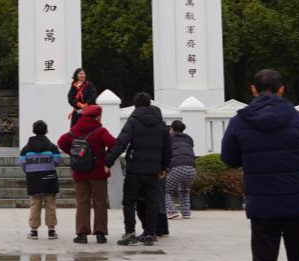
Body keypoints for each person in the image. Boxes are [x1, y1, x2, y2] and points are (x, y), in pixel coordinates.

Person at [220, 69, 299, 261]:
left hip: (261, 201)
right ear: (281, 90)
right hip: (296, 200)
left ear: (253, 90)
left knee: (264, 257)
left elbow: (230, 159)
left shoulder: (239, 122)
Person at [106, 92, 171, 246]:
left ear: (135, 105)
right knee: (151, 202)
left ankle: (130, 233)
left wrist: (108, 161)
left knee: (129, 201)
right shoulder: (161, 124)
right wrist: (163, 167)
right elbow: (167, 148)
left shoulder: (133, 121)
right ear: (149, 103)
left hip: (135, 169)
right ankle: (150, 233)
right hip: (154, 170)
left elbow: (121, 143)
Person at [57, 104, 116, 244]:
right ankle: (100, 234)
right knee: (100, 203)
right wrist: (106, 160)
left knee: (82, 203)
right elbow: (114, 144)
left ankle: (82, 234)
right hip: (98, 173)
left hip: (80, 173)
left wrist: (74, 155)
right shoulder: (101, 131)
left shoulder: (73, 130)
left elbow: (61, 142)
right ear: (98, 116)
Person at [18, 120, 61, 240]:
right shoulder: (52, 147)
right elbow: (57, 162)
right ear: (46, 131)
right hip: (49, 178)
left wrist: (29, 170)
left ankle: (33, 231)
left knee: (34, 204)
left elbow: (22, 163)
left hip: (33, 178)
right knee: (50, 204)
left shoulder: (25, 149)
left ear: (33, 131)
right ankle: (51, 231)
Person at [165, 120, 197, 220]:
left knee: (166, 190)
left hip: (177, 167)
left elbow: (166, 152)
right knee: (184, 190)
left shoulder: (169, 138)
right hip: (192, 168)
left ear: (172, 129)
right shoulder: (189, 138)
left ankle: (171, 211)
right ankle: (186, 212)